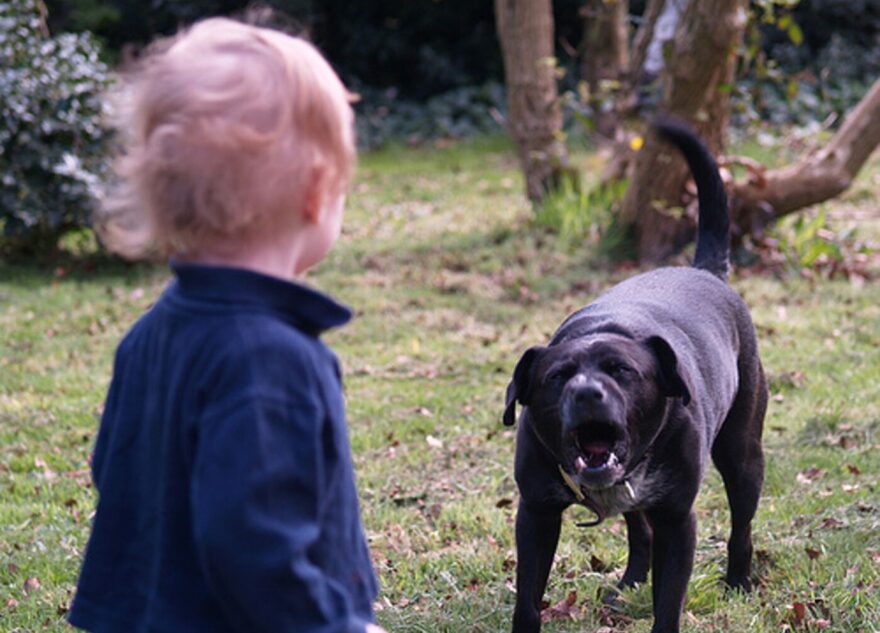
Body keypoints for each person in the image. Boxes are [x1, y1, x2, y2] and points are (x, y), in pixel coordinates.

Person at [69, 17, 386, 633]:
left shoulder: (151, 334)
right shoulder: (271, 359)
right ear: (317, 192)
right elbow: (254, 545)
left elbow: (115, 470)